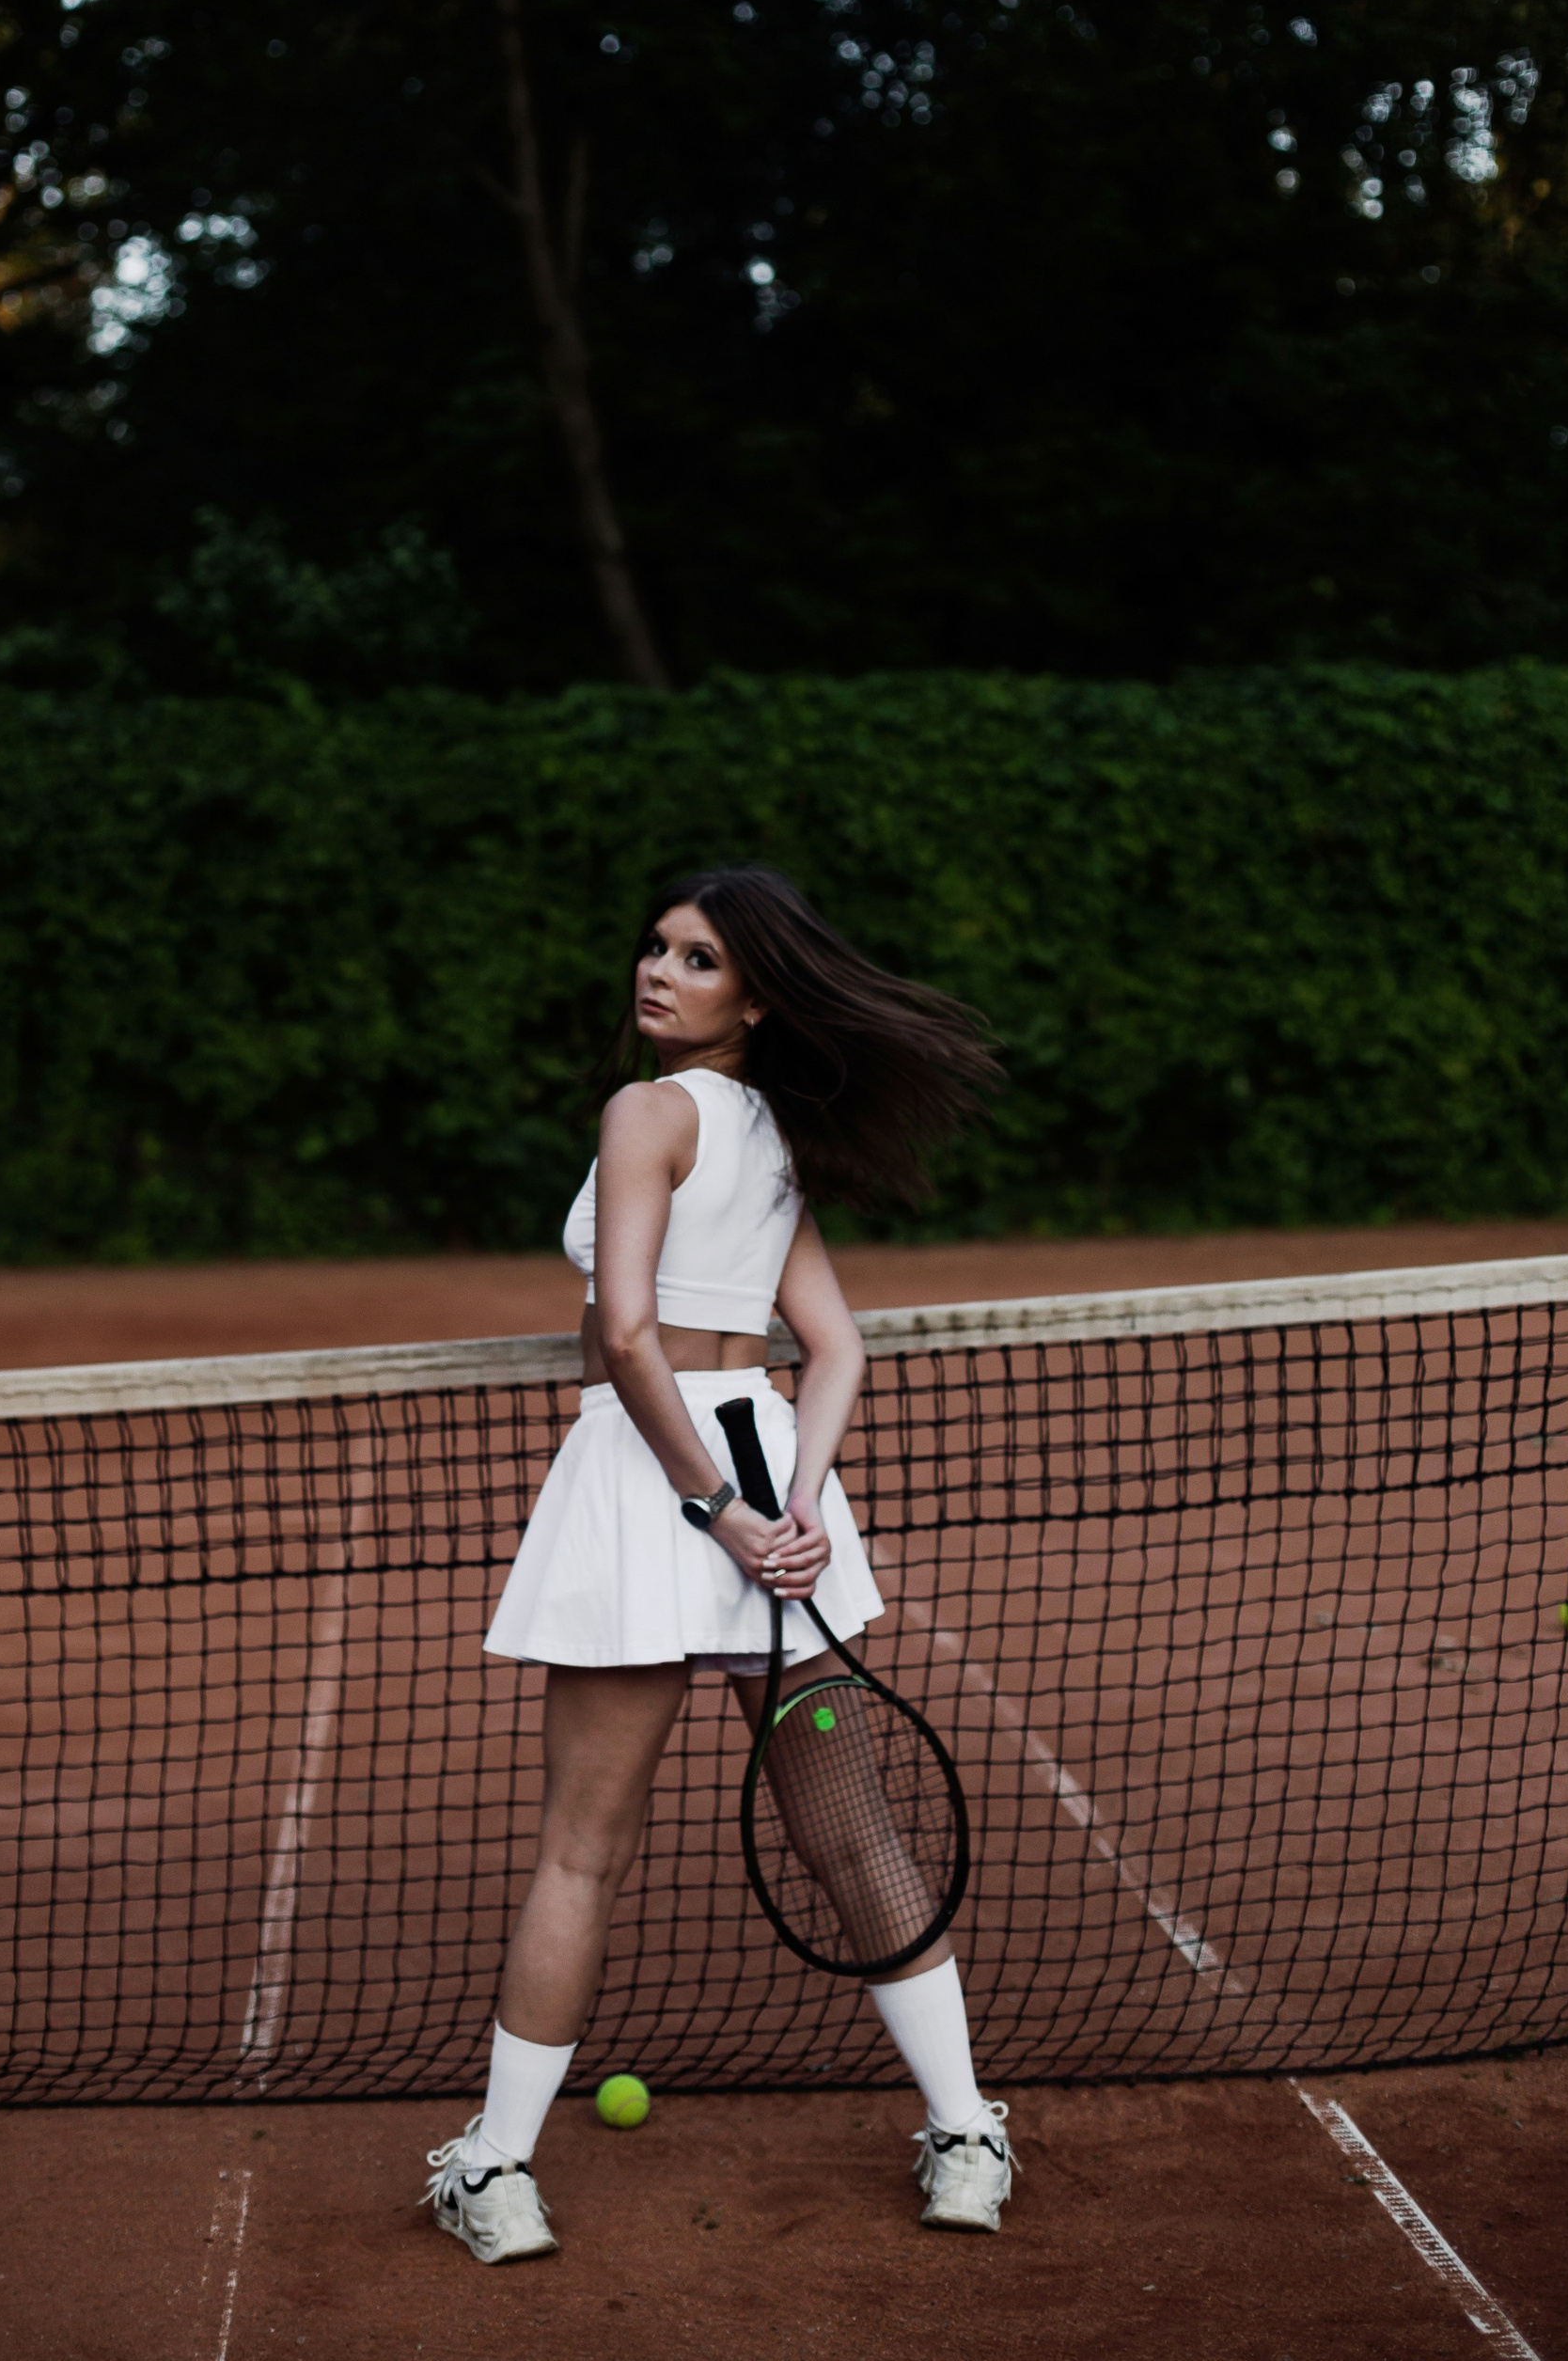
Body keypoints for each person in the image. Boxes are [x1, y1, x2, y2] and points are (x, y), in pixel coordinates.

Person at [424, 863, 1013, 2262]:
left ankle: (495, 2171)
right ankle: (969, 2139)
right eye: (657, 947)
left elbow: (628, 1333)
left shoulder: (647, 1111)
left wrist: (718, 1512)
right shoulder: (772, 1133)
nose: (658, 970)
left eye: (697, 958)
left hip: (656, 1487)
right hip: (761, 1476)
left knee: (581, 1852)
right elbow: (838, 1349)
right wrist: (793, 1505)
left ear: (755, 998)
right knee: (856, 1837)